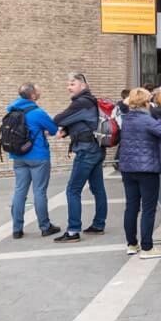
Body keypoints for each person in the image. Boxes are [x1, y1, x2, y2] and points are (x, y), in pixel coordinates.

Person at [117, 88, 161, 258]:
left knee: (131, 207)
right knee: (148, 209)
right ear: (145, 103)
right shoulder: (146, 120)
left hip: (128, 168)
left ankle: (131, 244)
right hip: (147, 168)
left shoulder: (127, 118)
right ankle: (147, 247)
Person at [53, 72, 107, 243]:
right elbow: (82, 123)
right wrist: (66, 131)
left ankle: (73, 231)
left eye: (72, 84)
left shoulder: (81, 102)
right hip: (96, 149)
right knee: (98, 188)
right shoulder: (90, 101)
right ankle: (98, 224)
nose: (68, 87)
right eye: (68, 84)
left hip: (86, 151)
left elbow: (60, 118)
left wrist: (53, 127)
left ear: (83, 85)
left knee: (73, 190)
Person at [7, 83, 60, 239]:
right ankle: (45, 227)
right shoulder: (37, 112)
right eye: (38, 90)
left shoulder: (12, 111)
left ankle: (17, 229)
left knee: (19, 191)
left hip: (18, 157)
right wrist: (43, 131)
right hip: (38, 156)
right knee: (39, 191)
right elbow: (54, 129)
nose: (40, 91)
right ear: (33, 96)